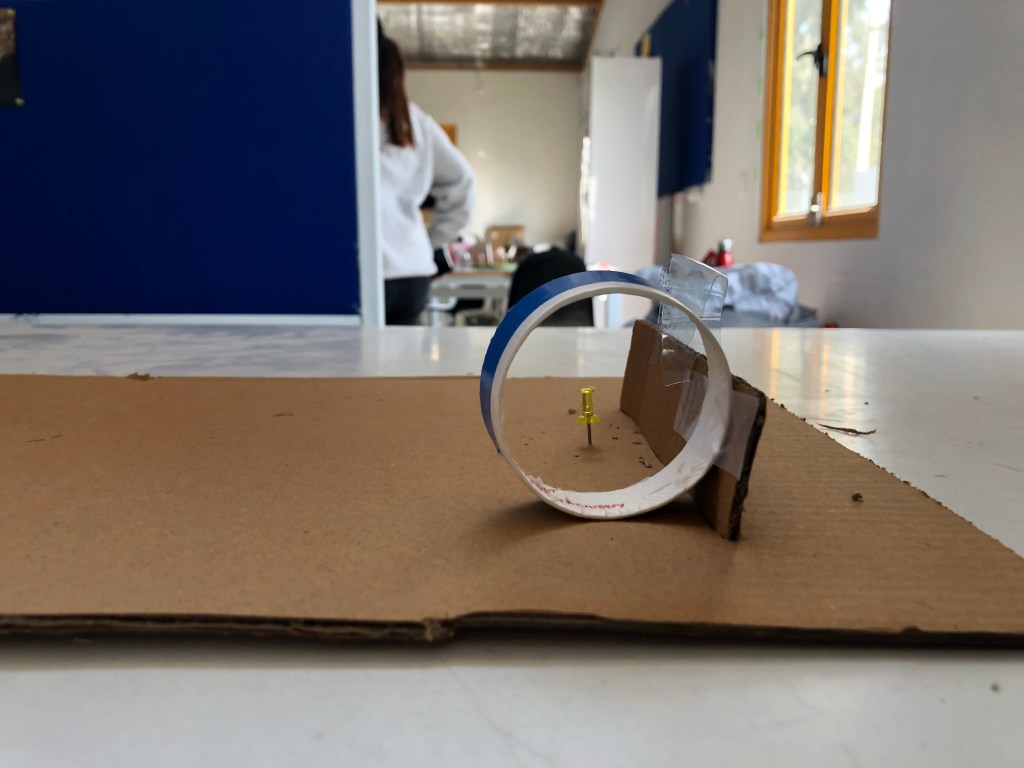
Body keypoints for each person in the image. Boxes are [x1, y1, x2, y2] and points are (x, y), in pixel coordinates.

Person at [377, 23, 475, 325]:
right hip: (413, 271)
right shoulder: (415, 119)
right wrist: (431, 242)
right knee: (403, 356)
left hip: (373, 271)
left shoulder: (342, 115)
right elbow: (463, 181)